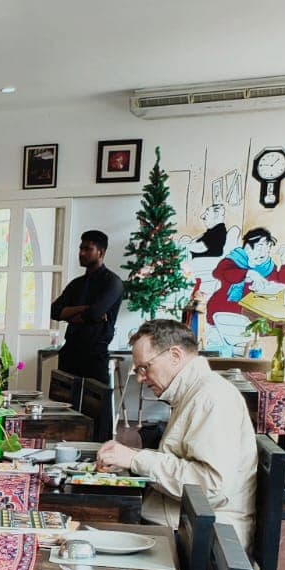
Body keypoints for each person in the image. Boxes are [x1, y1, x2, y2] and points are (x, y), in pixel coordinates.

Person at [96, 318, 257, 548]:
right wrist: (130, 460)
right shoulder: (195, 391)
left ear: (174, 356)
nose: (140, 378)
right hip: (183, 520)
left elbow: (209, 486)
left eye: (144, 367)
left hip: (204, 536)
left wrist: (136, 459)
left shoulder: (211, 397)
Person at [49, 230, 123, 385]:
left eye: (88, 249)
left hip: (95, 357)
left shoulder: (113, 283)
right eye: (80, 249)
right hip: (70, 353)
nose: (82, 253)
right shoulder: (76, 284)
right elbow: (54, 311)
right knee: (62, 405)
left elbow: (94, 314)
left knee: (94, 407)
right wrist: (84, 309)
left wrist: (69, 313)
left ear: (100, 252)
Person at [206, 227, 285, 355]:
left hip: (252, 316)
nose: (264, 252)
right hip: (224, 318)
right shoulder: (234, 260)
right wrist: (248, 273)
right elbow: (221, 273)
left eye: (268, 247)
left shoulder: (267, 266)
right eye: (260, 246)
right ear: (247, 247)